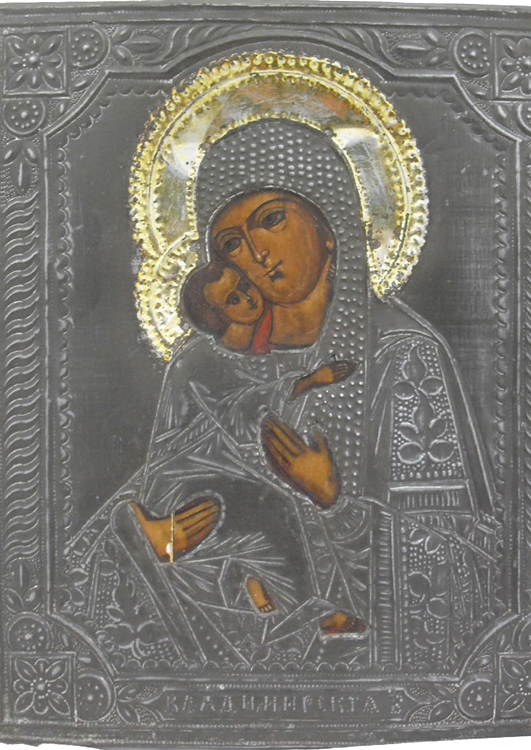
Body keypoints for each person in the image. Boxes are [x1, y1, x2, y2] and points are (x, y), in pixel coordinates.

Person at [68, 119, 499, 672]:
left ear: (329, 222)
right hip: (220, 650)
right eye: (231, 244)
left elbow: (459, 577)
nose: (256, 253)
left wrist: (336, 505)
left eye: (272, 220)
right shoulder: (198, 367)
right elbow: (163, 498)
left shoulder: (401, 356)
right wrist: (159, 545)